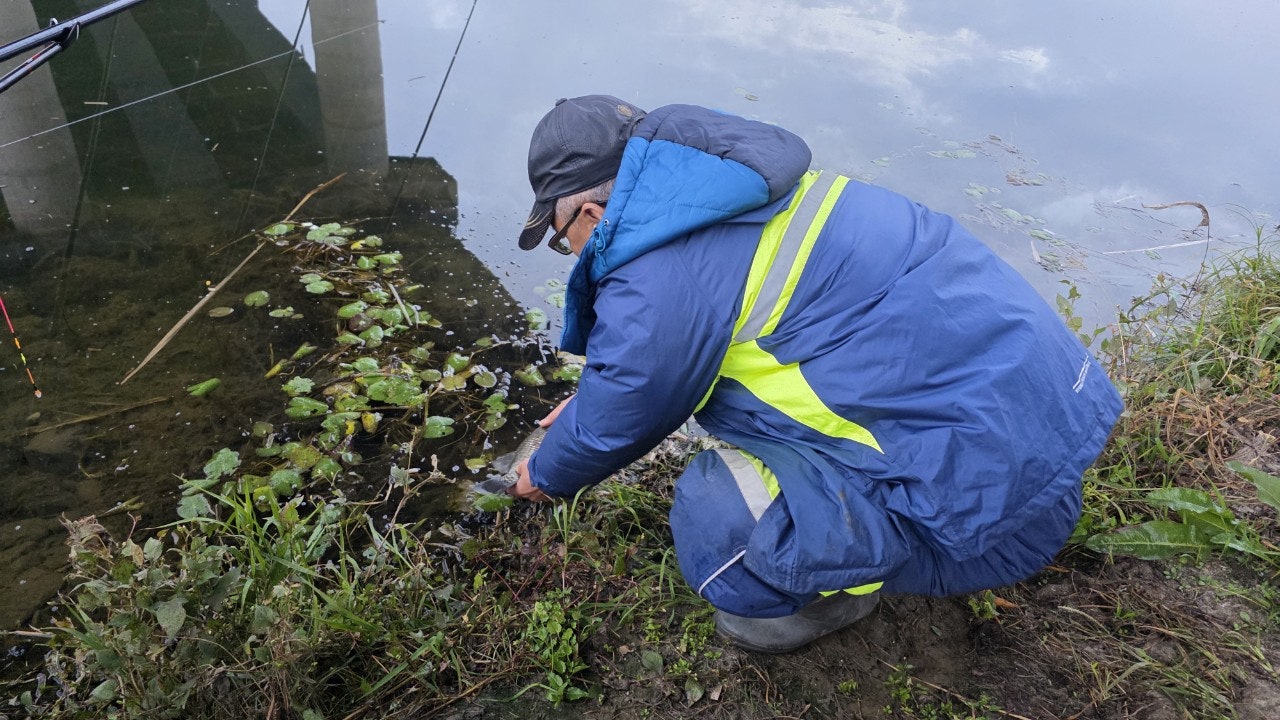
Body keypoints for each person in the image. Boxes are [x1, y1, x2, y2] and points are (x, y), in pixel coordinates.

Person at [507, 95, 1123, 654]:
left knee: (719, 520)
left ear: (593, 212)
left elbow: (627, 406)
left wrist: (545, 475)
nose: (574, 255)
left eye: (564, 241)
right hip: (1051, 444)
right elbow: (670, 351)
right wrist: (606, 390)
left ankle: (840, 594)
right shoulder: (757, 185)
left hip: (991, 527)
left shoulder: (657, 275)